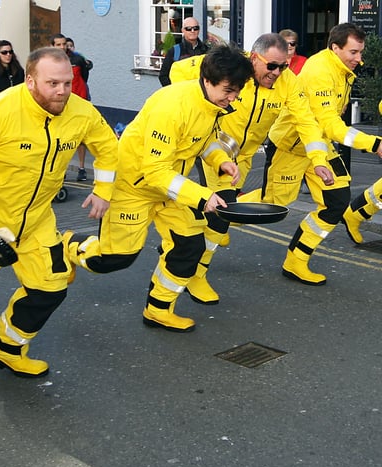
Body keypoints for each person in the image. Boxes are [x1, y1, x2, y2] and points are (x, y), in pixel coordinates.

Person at [0, 47, 118, 377]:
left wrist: (103, 191)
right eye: (53, 83)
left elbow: (108, 149)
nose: (62, 91)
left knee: (50, 288)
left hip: (36, 220)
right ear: (30, 80)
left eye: (67, 82)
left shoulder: (82, 112)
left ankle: (7, 348)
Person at [62, 44, 253, 333]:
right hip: (134, 187)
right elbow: (155, 170)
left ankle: (158, 310)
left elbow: (204, 141)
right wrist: (203, 197)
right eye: (228, 90)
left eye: (237, 91)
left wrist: (221, 160)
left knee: (190, 246)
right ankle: (69, 247)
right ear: (207, 80)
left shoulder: (213, 104)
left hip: (170, 188)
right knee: (112, 260)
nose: (233, 97)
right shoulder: (171, 106)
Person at [168, 34, 331, 305]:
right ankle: (196, 272)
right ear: (255, 58)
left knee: (217, 214)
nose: (277, 73)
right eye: (272, 66)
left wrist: (319, 159)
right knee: (221, 213)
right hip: (213, 148)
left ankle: (190, 237)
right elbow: (176, 71)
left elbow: (307, 122)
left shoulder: (288, 83)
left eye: (284, 66)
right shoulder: (232, 66)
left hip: (242, 157)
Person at [241, 23, 382, 285]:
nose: (359, 59)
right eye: (353, 52)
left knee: (336, 201)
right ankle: (213, 217)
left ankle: (296, 261)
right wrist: (373, 144)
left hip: (319, 146)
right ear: (335, 47)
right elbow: (330, 122)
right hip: (291, 148)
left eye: (360, 52)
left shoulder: (341, 68)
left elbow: (326, 126)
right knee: (270, 203)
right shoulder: (319, 71)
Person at [51, 34, 93, 181]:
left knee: (81, 136)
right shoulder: (50, 61)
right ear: (53, 46)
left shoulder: (77, 59)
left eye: (64, 44)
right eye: (59, 45)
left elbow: (84, 77)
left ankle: (81, 168)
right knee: (61, 138)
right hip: (60, 103)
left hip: (79, 100)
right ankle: (60, 170)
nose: (62, 47)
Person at [158, 17, 208, 87]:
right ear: (182, 30)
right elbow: (163, 76)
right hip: (180, 95)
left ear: (199, 30)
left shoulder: (207, 51)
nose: (192, 31)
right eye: (188, 28)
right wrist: (174, 91)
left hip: (201, 95)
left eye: (195, 28)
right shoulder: (174, 51)